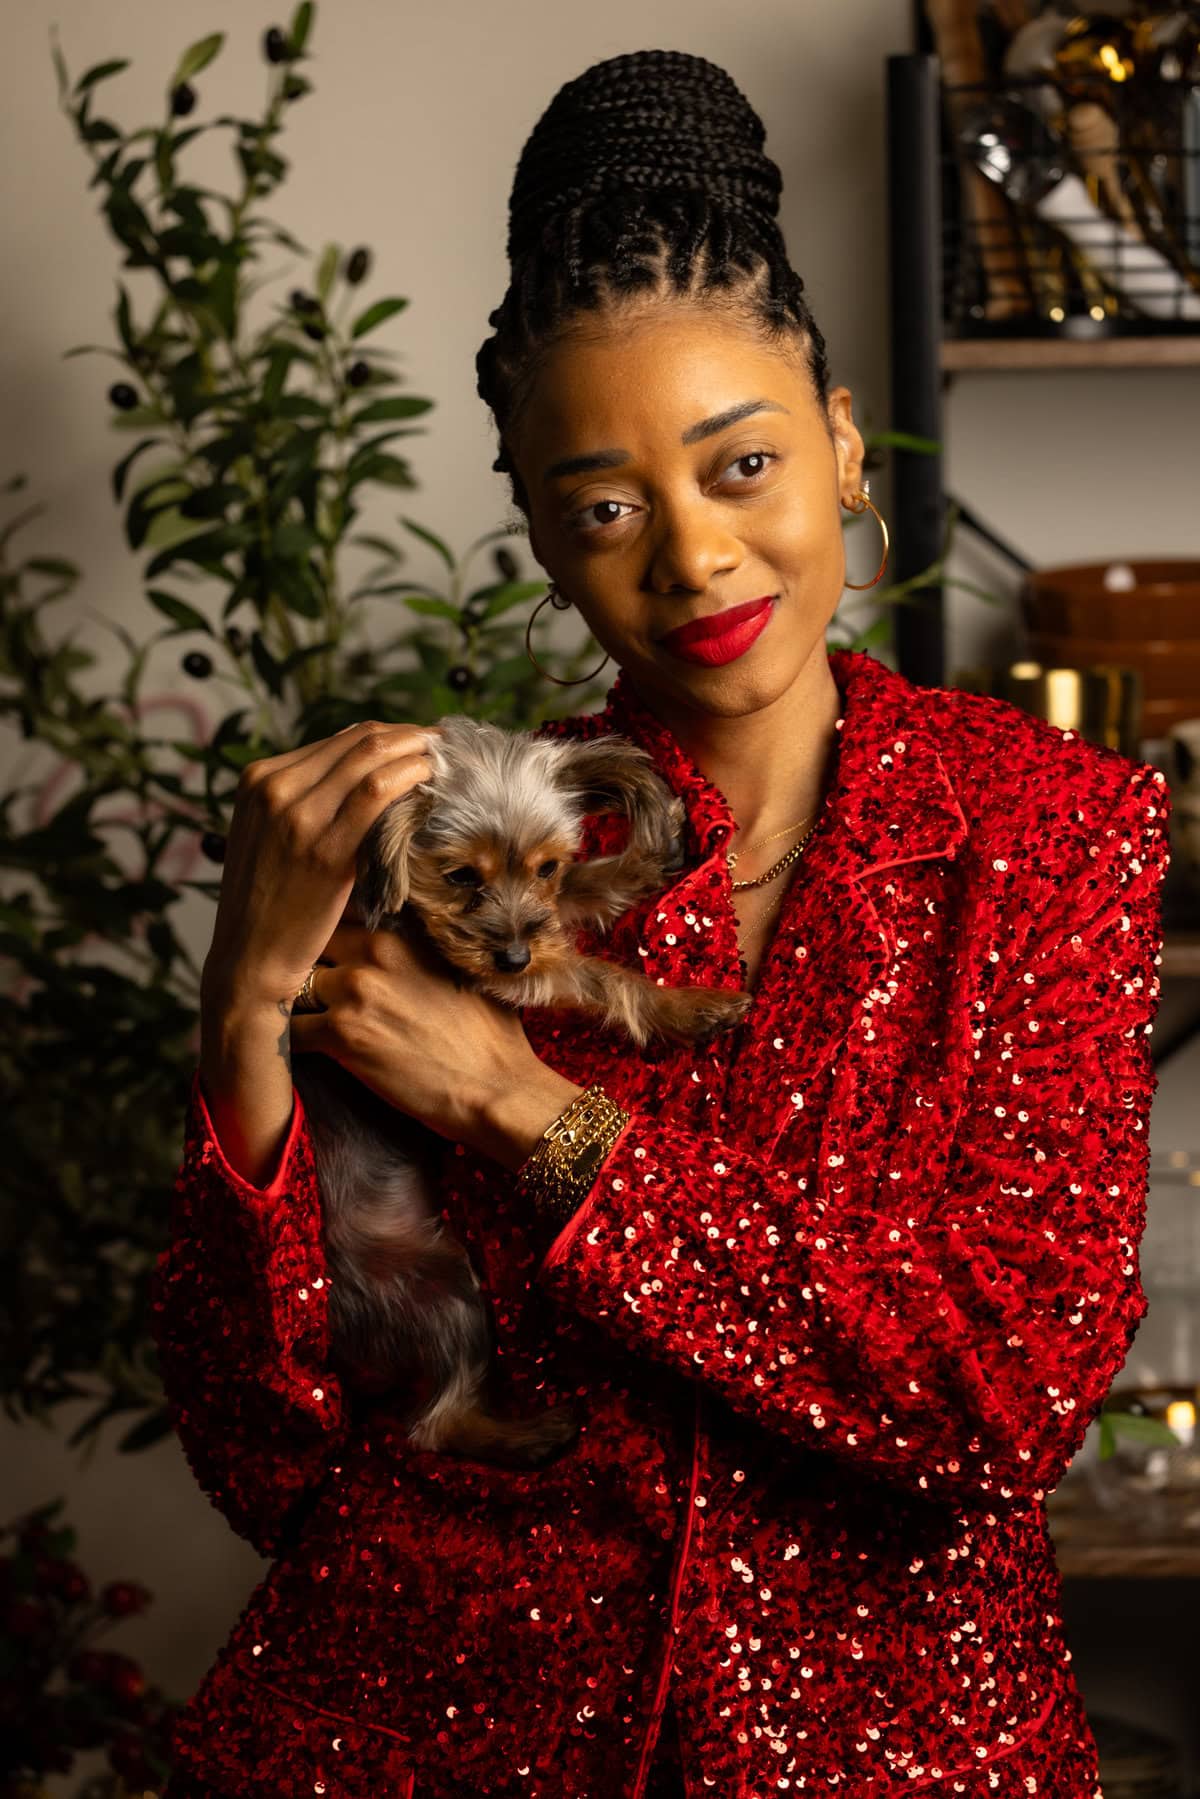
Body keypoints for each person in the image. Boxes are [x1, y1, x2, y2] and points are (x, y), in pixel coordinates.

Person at [154, 48, 1173, 1799]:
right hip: (431, 1731)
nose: (694, 560)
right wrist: (246, 1010)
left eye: (743, 463)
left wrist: (528, 1113)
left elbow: (998, 1393)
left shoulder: (1057, 830)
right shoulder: (461, 858)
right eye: (607, 507)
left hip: (903, 1750)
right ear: (546, 542)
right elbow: (280, 1455)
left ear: (845, 446)